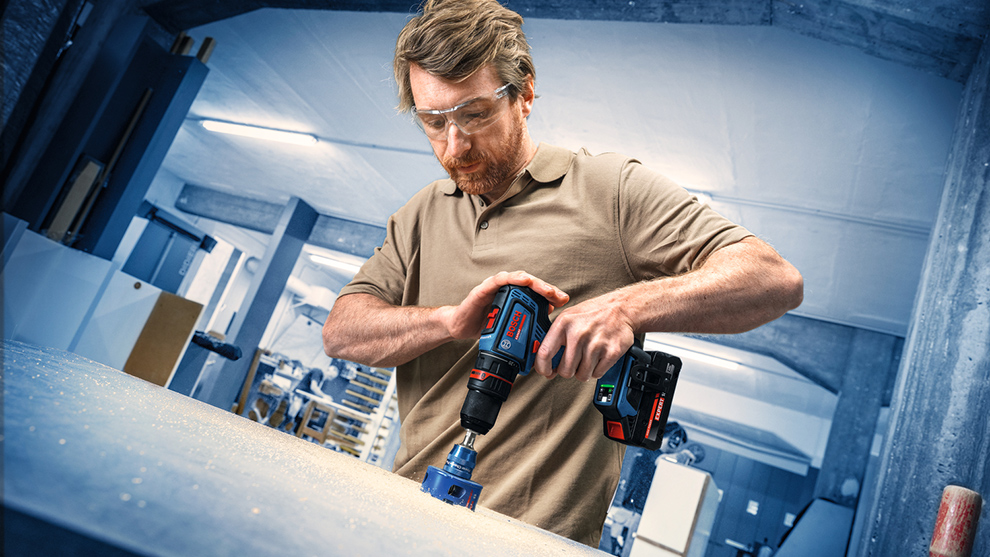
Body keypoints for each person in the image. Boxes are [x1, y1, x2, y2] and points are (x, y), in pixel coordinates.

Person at [322, 0, 803, 547]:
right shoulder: (420, 214)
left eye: (475, 115)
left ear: (524, 92)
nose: (454, 146)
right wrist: (450, 321)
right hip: (399, 522)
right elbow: (341, 331)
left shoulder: (609, 189)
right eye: (434, 122)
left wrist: (625, 308)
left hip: (533, 541)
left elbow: (772, 279)